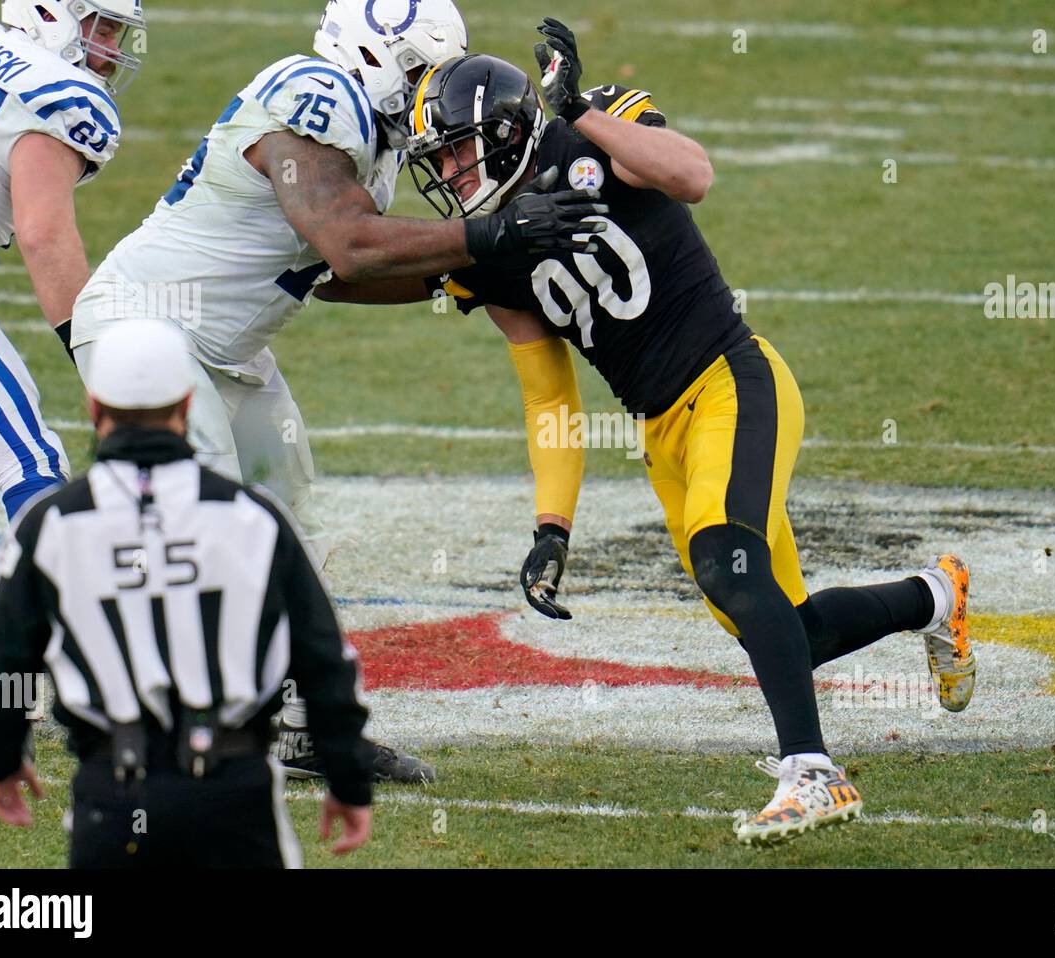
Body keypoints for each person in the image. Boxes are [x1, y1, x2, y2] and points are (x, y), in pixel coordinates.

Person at [351, 32, 977, 844]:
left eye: (457, 153)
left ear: (507, 130)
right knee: (782, 625)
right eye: (437, 160)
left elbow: (693, 175)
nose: (447, 175)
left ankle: (814, 774)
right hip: (661, 433)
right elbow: (548, 397)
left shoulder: (591, 130)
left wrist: (578, 109)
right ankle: (936, 597)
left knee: (728, 561)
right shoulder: (493, 250)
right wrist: (552, 527)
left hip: (730, 380)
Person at [66, 0, 607, 784]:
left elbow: (331, 278)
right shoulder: (314, 92)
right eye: (421, 73)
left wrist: (479, 269)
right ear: (375, 54)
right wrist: (491, 237)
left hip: (226, 349)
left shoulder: (374, 142)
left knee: (289, 524)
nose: (431, 92)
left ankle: (303, 724)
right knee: (206, 524)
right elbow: (349, 245)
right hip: (144, 326)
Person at [0, 319, 377, 867]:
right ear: (186, 405)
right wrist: (348, 776)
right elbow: (324, 658)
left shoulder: (51, 524)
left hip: (111, 796)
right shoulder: (251, 516)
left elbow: (3, 660)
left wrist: (0, 758)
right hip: (233, 793)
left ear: (94, 407)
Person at [0, 0, 146, 708]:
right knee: (32, 467)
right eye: (104, 24)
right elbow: (44, 233)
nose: (111, 46)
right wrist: (103, 367)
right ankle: (5, 668)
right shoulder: (60, 93)